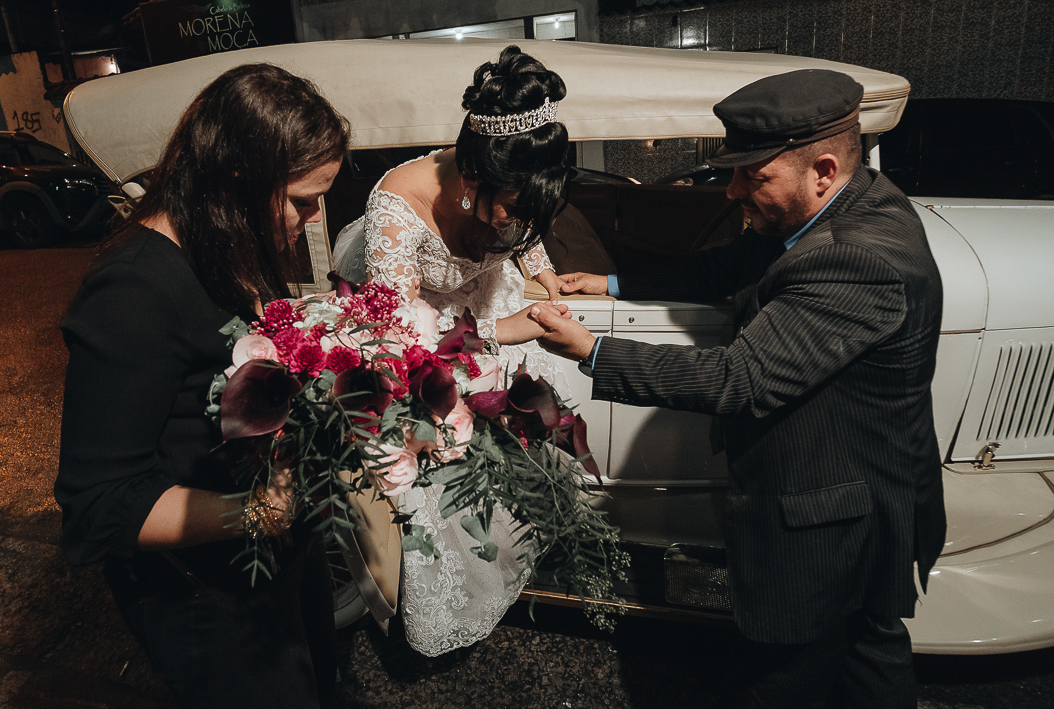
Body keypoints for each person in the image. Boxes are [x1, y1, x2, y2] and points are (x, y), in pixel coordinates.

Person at [531, 69, 946, 709]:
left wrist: (594, 350)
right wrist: (614, 285)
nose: (732, 192)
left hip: (831, 517)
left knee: (778, 676)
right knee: (868, 651)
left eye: (753, 178)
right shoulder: (850, 201)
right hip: (869, 485)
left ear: (824, 170)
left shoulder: (854, 257)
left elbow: (740, 379)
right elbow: (730, 265)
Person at [55, 64, 350, 709]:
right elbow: (98, 507)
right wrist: (254, 513)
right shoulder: (132, 292)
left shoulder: (226, 245)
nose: (316, 215)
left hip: (274, 565)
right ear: (236, 179)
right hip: (208, 599)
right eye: (304, 198)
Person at [332, 44, 573, 656]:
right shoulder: (397, 206)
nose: (514, 225)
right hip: (423, 329)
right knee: (439, 456)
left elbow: (524, 234)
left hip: (487, 301)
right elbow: (401, 341)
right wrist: (494, 334)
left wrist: (545, 273)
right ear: (472, 180)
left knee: (524, 440)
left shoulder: (512, 202)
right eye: (511, 209)